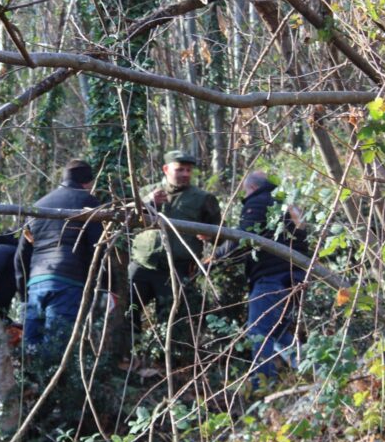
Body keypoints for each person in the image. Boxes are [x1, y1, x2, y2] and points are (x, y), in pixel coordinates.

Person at [212, 171, 309, 381]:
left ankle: (262, 386)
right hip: (295, 277)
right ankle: (316, 372)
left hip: (271, 279)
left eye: (246, 191)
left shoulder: (258, 202)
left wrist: (214, 258)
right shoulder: (286, 204)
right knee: (281, 334)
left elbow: (242, 238)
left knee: (259, 333)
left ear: (253, 188)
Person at [14, 159, 102, 366]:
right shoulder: (89, 204)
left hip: (36, 283)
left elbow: (21, 254)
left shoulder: (38, 205)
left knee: (31, 345)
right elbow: (98, 247)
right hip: (68, 283)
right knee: (57, 346)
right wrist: (105, 287)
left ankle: (29, 389)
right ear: (88, 182)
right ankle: (55, 393)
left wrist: (23, 293)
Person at [129, 150, 221, 327]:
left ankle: (168, 354)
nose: (185, 174)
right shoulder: (146, 192)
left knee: (175, 326)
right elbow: (126, 219)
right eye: (180, 170)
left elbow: (221, 235)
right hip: (142, 267)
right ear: (166, 169)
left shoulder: (203, 199)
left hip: (177, 272)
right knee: (127, 316)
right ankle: (130, 354)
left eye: (188, 170)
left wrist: (211, 236)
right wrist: (148, 201)